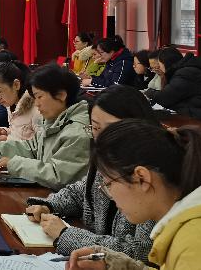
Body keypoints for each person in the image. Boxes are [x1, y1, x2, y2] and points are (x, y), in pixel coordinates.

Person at [25, 86, 159, 261]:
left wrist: (66, 234)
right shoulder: (106, 158)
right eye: (95, 128)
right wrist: (50, 205)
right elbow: (81, 192)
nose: (101, 138)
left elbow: (142, 253)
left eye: (111, 129)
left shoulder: (153, 175)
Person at [67, 120, 201, 270]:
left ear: (141, 178)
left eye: (109, 184)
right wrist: (115, 265)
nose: (110, 195)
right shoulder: (190, 226)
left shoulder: (198, 244)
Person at [0, 64, 91, 189]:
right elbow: (32, 147)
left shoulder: (77, 132)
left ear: (60, 95)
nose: (36, 104)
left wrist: (15, 164)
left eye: (39, 97)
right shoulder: (53, 121)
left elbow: (59, 176)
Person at [145, 49, 201, 125]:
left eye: (159, 65)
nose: (160, 68)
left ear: (165, 63)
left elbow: (165, 98)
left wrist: (149, 92)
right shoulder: (182, 72)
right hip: (198, 113)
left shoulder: (185, 73)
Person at [0, 62, 41, 141]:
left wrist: (8, 140)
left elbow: (41, 144)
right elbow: (20, 132)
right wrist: (6, 131)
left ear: (16, 85)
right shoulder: (11, 103)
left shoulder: (37, 108)